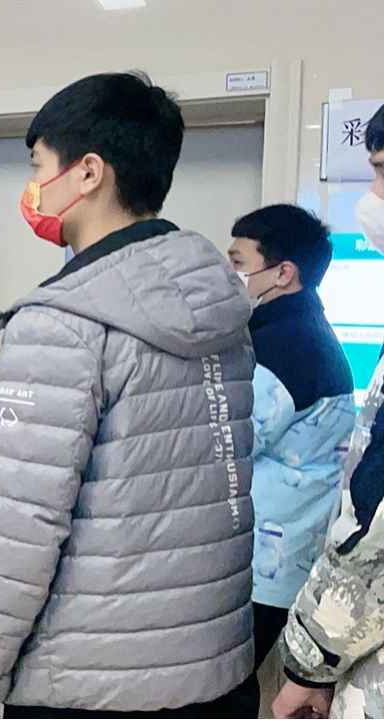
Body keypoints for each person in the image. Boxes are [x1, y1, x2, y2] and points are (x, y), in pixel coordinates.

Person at [0, 72, 258, 719]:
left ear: (88, 173)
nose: (33, 188)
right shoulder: (221, 304)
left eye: (39, 167)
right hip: (213, 670)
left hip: (88, 684)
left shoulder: (60, 324)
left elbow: (18, 533)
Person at [272, 102, 384, 720]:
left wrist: (308, 662)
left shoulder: (292, 345)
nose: (373, 198)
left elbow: (373, 519)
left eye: (383, 171)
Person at [227, 205, 355, 686]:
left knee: (223, 690)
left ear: (283, 273)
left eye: (238, 264)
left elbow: (226, 439)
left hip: (262, 565)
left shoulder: (288, 348)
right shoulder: (298, 333)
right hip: (276, 559)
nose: (230, 276)